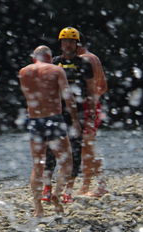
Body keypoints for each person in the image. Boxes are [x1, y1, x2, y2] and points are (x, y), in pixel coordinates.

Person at [19, 46, 81, 217]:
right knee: (66, 162)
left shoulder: (24, 72)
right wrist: (75, 120)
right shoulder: (56, 70)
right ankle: (57, 194)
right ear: (49, 57)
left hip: (35, 121)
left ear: (34, 58)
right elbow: (68, 96)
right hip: (54, 119)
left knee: (37, 165)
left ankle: (38, 208)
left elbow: (28, 98)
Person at [42, 27, 97, 204]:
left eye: (71, 41)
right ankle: (47, 187)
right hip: (55, 112)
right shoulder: (54, 62)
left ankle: (68, 190)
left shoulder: (84, 64)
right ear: (61, 43)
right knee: (50, 150)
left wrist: (92, 114)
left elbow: (91, 91)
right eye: (65, 41)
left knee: (75, 151)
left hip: (77, 113)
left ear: (76, 44)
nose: (68, 44)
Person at [76, 32, 108, 197]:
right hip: (93, 106)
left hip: (88, 107)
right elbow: (103, 86)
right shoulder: (94, 58)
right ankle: (86, 185)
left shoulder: (85, 60)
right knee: (85, 148)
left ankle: (102, 186)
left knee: (89, 147)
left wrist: (89, 103)